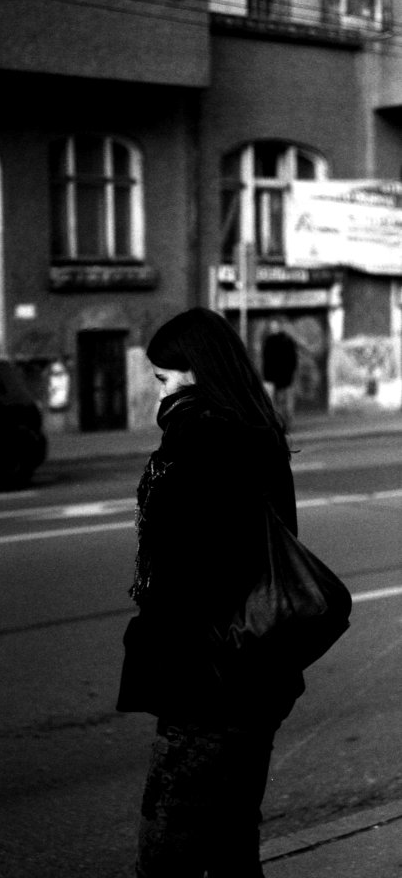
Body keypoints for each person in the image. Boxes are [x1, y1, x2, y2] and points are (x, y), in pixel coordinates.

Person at [116, 307, 305, 878]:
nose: (159, 393)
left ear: (197, 374)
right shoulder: (257, 431)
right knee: (230, 846)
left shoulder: (199, 439)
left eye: (165, 380)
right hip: (259, 668)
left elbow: (187, 571)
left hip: (209, 680)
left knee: (166, 852)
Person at [261, 319, 298, 431]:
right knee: (278, 404)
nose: (273, 329)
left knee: (285, 404)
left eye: (274, 326)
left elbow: (292, 359)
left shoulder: (285, 341)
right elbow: (266, 360)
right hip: (275, 378)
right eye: (272, 327)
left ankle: (286, 425)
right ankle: (282, 425)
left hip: (284, 377)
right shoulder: (270, 341)